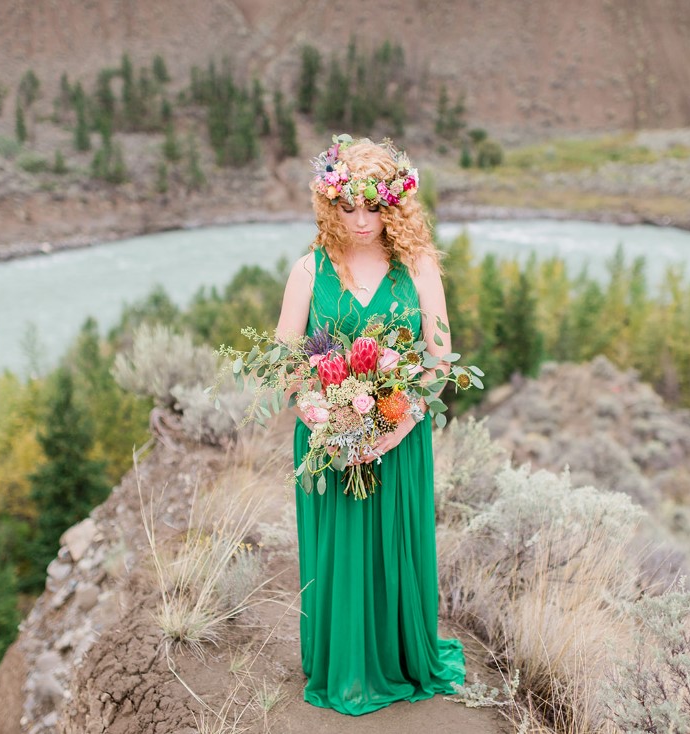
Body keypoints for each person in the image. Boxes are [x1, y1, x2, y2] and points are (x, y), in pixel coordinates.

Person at [275, 135, 466, 715]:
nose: (361, 220)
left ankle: (399, 656)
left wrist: (391, 430)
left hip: (399, 438)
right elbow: (286, 360)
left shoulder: (420, 266)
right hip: (327, 442)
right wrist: (319, 416)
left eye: (374, 206)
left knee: (394, 548)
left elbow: (437, 365)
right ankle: (342, 662)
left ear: (395, 204)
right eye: (348, 206)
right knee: (338, 551)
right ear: (330, 203)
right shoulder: (308, 270)